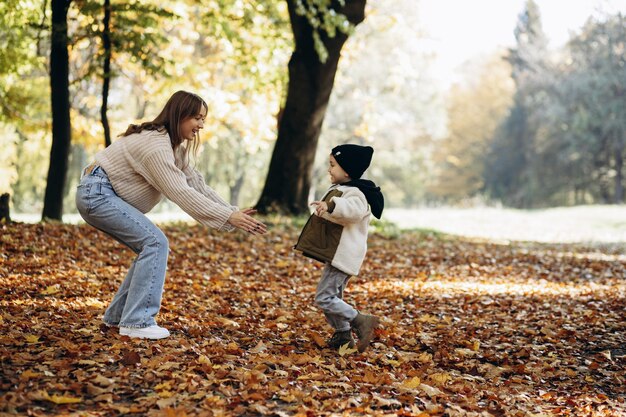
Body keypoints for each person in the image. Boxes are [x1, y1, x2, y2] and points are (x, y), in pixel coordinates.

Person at [75, 90, 267, 340]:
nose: (201, 125)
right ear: (180, 114)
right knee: (154, 242)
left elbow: (197, 185)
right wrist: (227, 217)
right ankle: (137, 321)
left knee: (149, 245)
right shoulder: (155, 146)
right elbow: (179, 192)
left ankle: (118, 318)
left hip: (99, 193)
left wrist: (230, 211)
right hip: (97, 194)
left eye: (203, 119)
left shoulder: (174, 148)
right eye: (196, 118)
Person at [294, 144, 384, 352]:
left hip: (343, 255)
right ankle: (343, 336)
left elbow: (353, 210)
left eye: (332, 165)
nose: (329, 169)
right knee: (333, 298)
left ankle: (360, 320)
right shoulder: (345, 189)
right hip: (337, 255)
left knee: (324, 297)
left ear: (346, 170)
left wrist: (332, 205)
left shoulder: (356, 193)